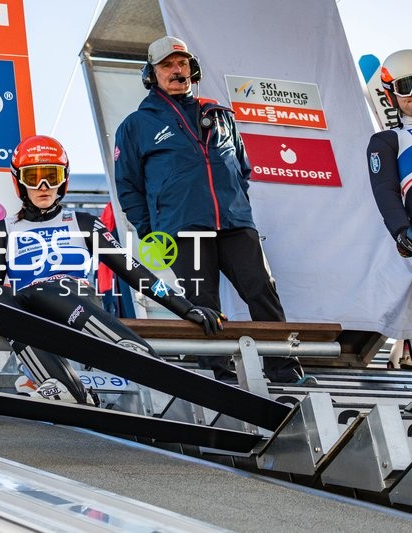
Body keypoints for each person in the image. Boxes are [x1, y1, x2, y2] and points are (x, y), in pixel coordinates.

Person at [113, 36, 305, 383]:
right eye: (167, 65)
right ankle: (219, 375)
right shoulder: (135, 126)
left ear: (192, 69)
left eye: (182, 63)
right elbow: (128, 185)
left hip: (234, 223)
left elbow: (241, 169)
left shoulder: (219, 114)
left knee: (262, 288)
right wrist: (148, 229)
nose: (177, 70)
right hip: (183, 228)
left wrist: (237, 206)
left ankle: (284, 367)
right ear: (151, 74)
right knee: (202, 301)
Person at [0, 134, 226, 404]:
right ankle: (63, 386)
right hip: (32, 320)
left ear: (64, 179)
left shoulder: (82, 222)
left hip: (76, 309)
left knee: (42, 289)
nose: (43, 185)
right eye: (33, 176)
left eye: (52, 175)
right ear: (19, 181)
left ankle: (129, 349)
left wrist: (184, 306)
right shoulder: (4, 229)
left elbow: (133, 270)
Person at [366, 49, 412, 389]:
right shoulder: (386, 139)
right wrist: (401, 229)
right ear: (390, 94)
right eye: (405, 86)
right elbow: (384, 190)